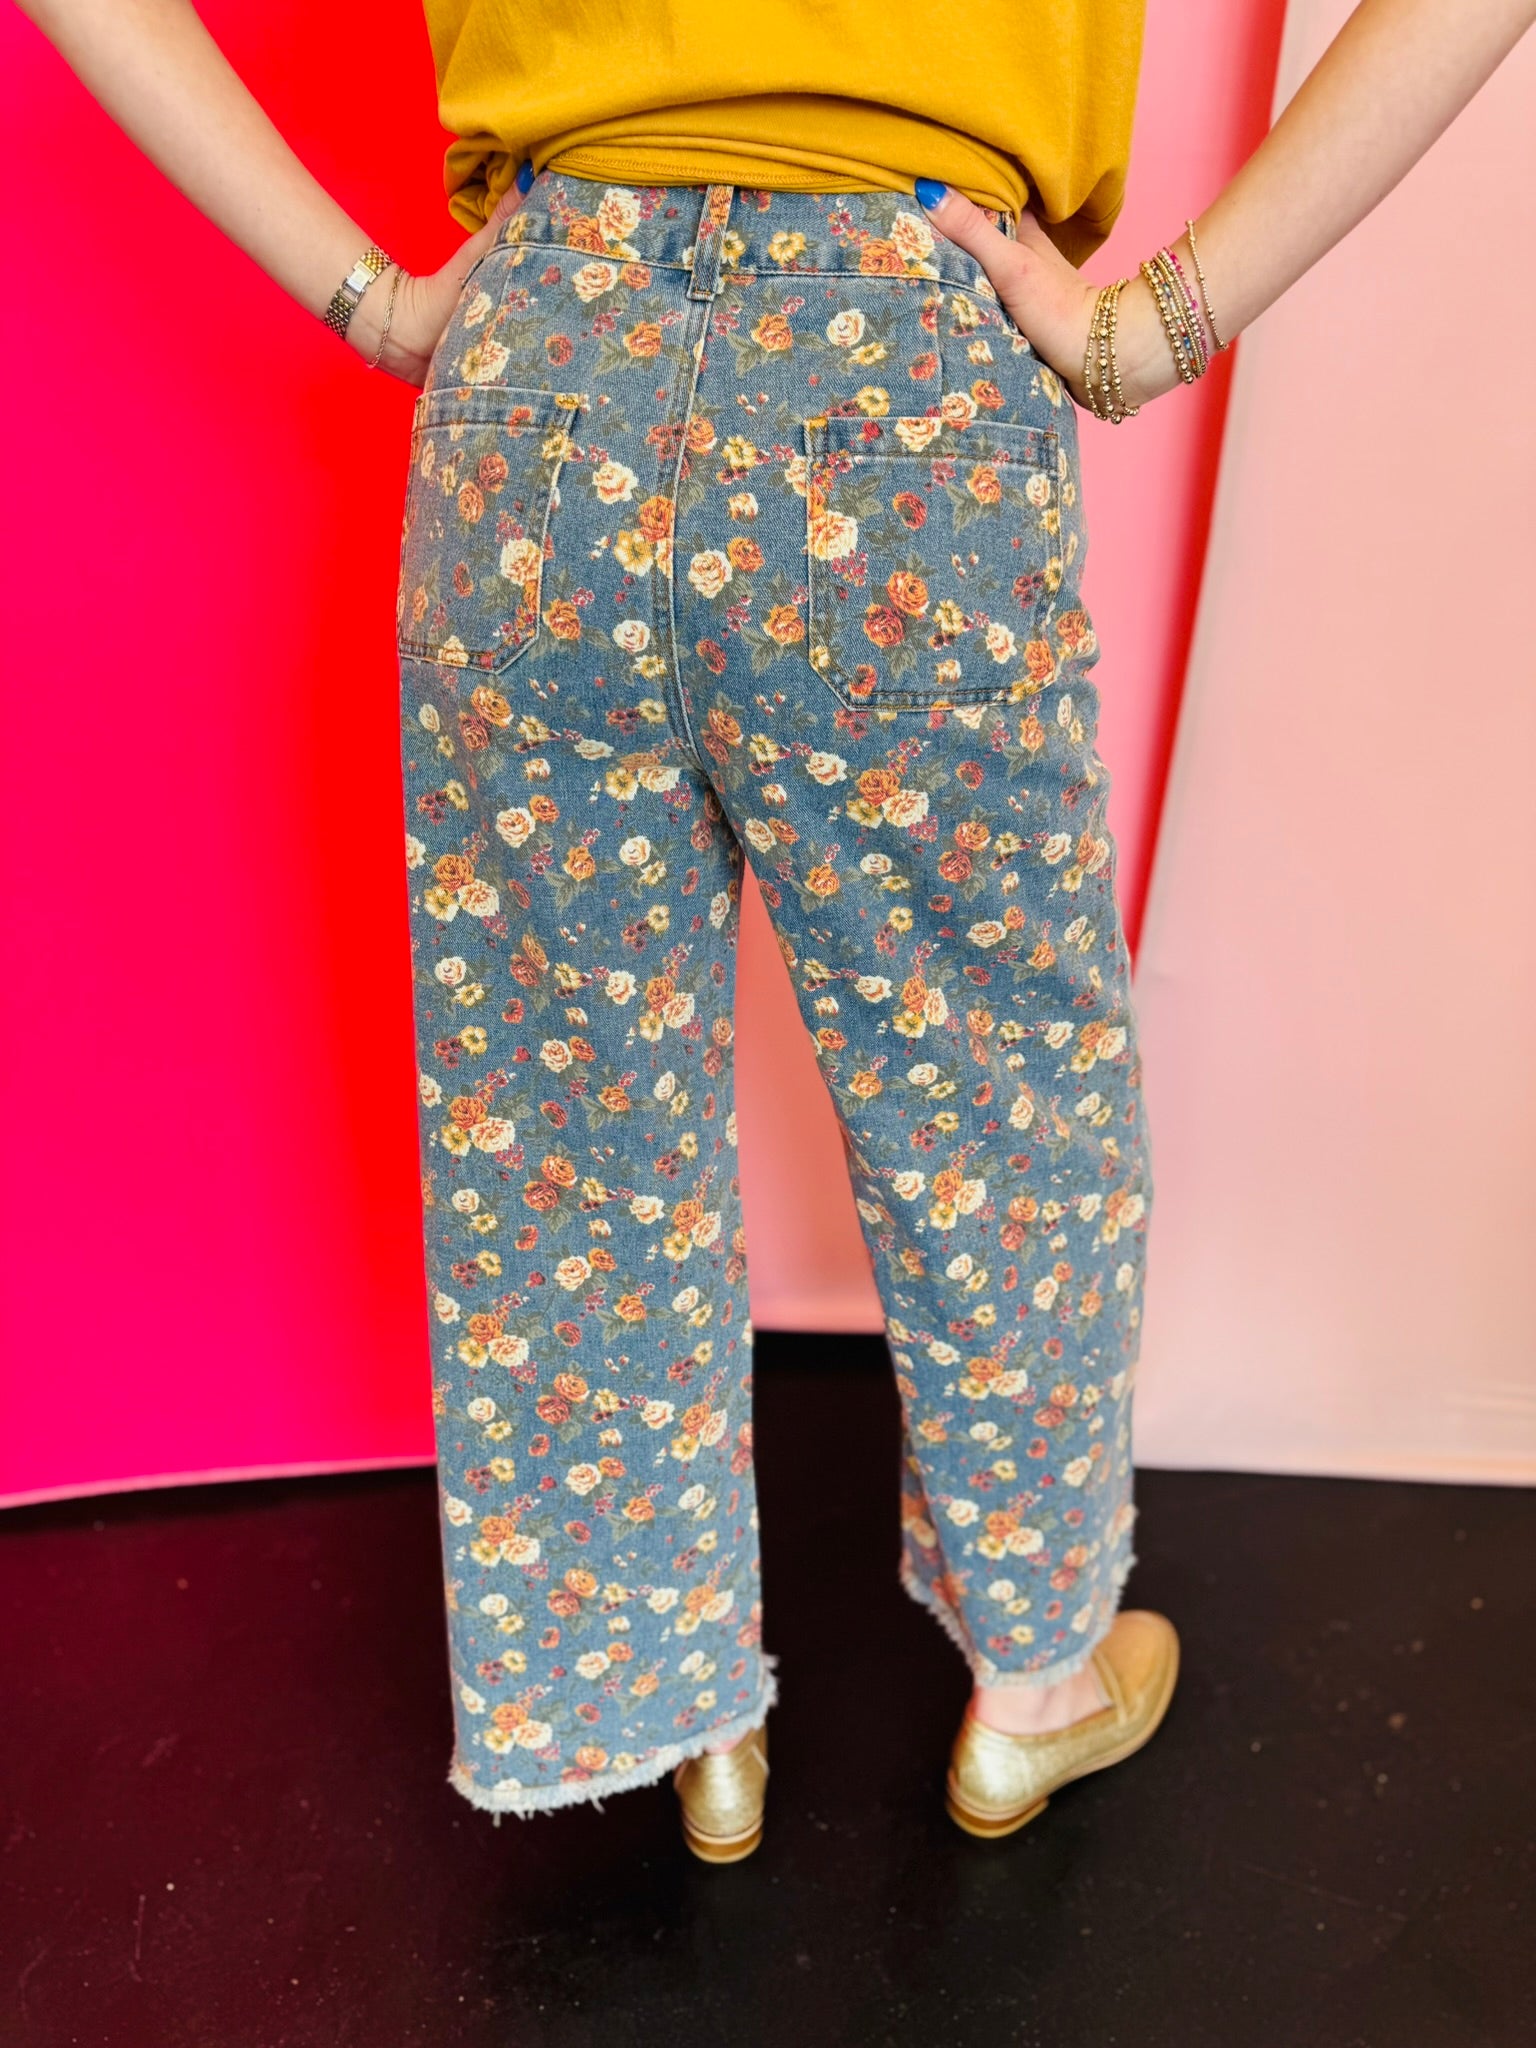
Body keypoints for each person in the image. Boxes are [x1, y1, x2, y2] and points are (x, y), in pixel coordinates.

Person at [20, 0, 1533, 1863]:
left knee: (566, 1115)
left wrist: (377, 303)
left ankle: (667, 1716)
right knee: (995, 1091)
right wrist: (1159, 325)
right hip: (901, 361)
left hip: (544, 365)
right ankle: (1036, 1682)